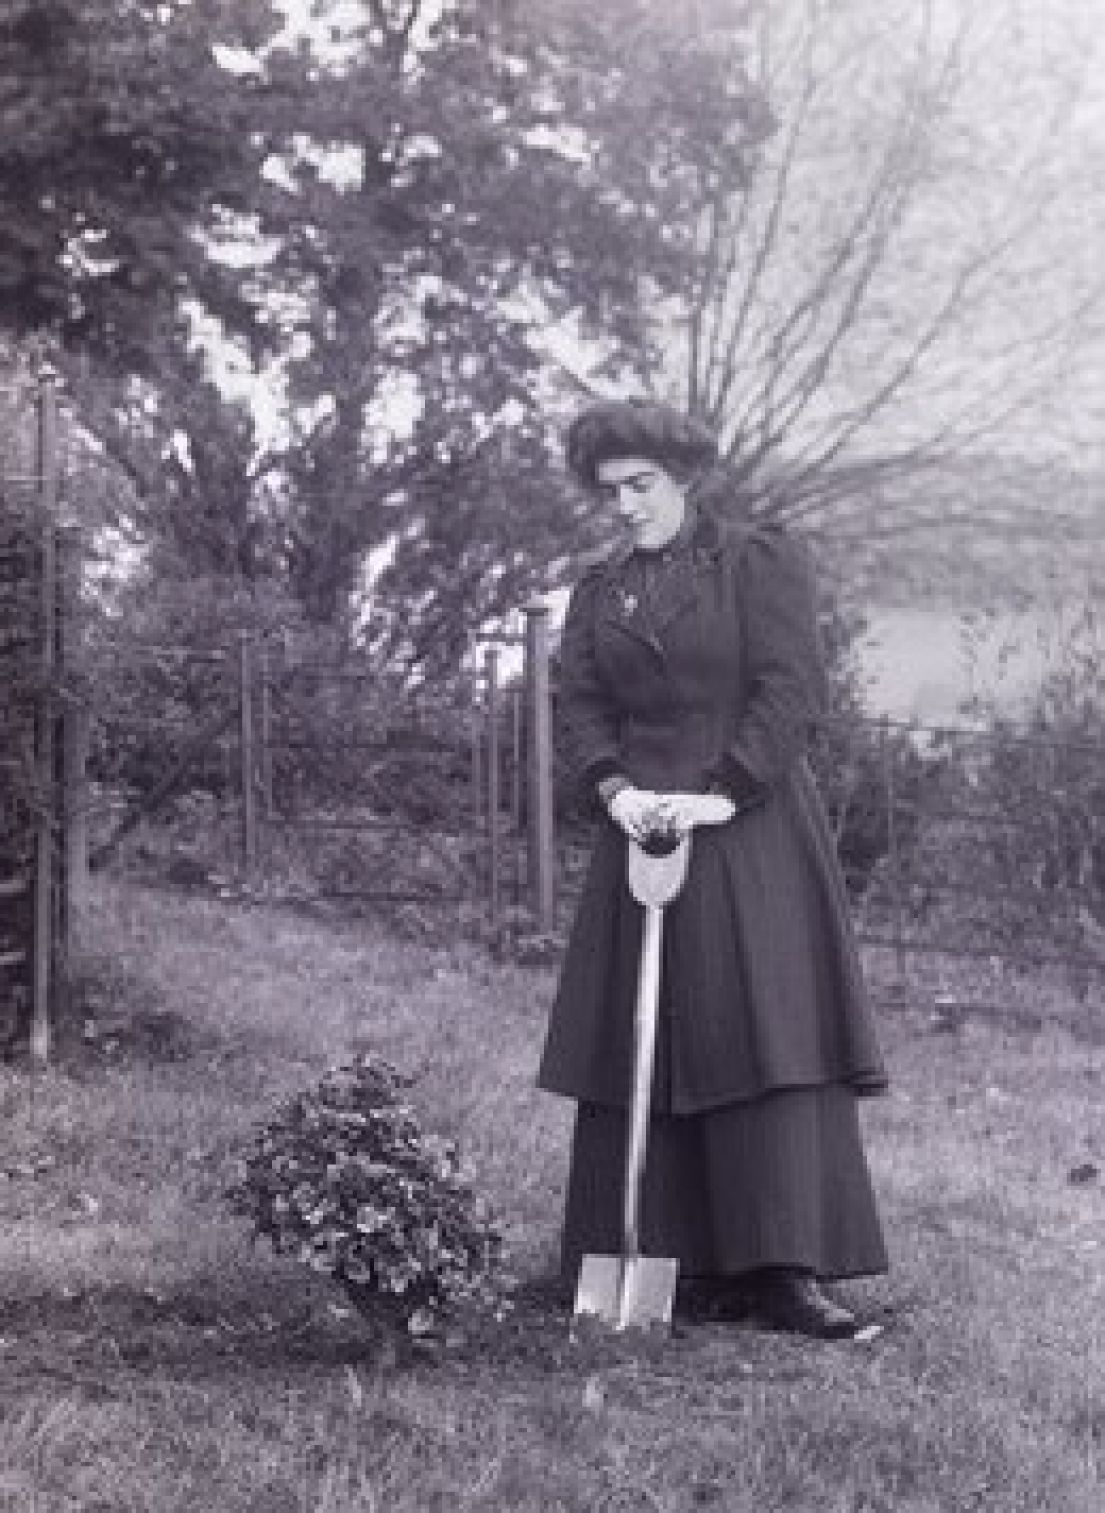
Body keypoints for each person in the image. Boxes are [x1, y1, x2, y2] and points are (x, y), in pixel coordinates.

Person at [537, 399, 889, 1339]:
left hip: (748, 825)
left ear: (686, 480)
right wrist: (611, 788)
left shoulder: (756, 563)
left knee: (763, 1028)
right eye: (611, 490)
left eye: (641, 486)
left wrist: (724, 790)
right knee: (641, 1035)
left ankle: (784, 1268)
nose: (624, 505)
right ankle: (654, 1251)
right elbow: (577, 702)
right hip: (641, 830)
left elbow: (791, 687)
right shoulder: (598, 591)